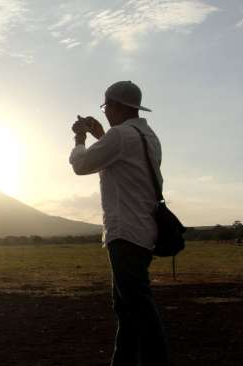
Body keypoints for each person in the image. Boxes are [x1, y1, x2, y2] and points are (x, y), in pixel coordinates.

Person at [69, 81, 169, 365]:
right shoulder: (148, 136)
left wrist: (79, 139)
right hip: (145, 230)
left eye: (106, 105)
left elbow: (82, 166)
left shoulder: (120, 136)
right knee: (127, 308)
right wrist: (101, 133)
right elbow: (118, 158)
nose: (105, 111)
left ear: (116, 106)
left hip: (125, 231)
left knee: (137, 307)